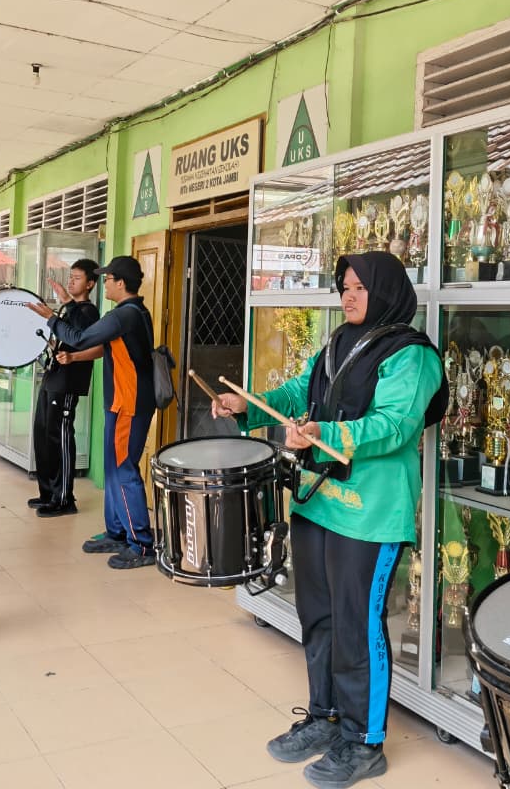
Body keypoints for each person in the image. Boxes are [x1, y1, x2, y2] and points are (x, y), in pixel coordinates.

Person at [213, 252, 447, 789]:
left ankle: (365, 742)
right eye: (344, 286)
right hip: (316, 501)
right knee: (317, 617)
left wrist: (327, 433)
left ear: (386, 291)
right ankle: (326, 716)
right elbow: (300, 392)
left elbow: (395, 424)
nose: (349, 295)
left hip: (371, 514)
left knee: (357, 625)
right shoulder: (338, 343)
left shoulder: (412, 356)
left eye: (360, 287)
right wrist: (250, 405)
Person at [29, 255, 157, 569]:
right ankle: (117, 532)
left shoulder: (125, 314)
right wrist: (75, 358)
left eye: (108, 279)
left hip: (129, 405)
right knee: (113, 469)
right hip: (120, 403)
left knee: (123, 470)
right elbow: (101, 347)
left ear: (121, 283)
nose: (105, 285)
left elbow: (79, 337)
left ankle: (141, 544)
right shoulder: (130, 313)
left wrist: (51, 318)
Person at [30, 259, 101, 517]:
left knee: (59, 438)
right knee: (43, 434)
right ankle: (48, 493)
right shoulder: (69, 308)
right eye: (69, 277)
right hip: (53, 377)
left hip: (68, 382)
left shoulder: (89, 311)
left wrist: (64, 304)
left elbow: (83, 336)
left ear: (90, 284)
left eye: (77, 278)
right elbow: (65, 336)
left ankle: (64, 499)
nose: (70, 282)